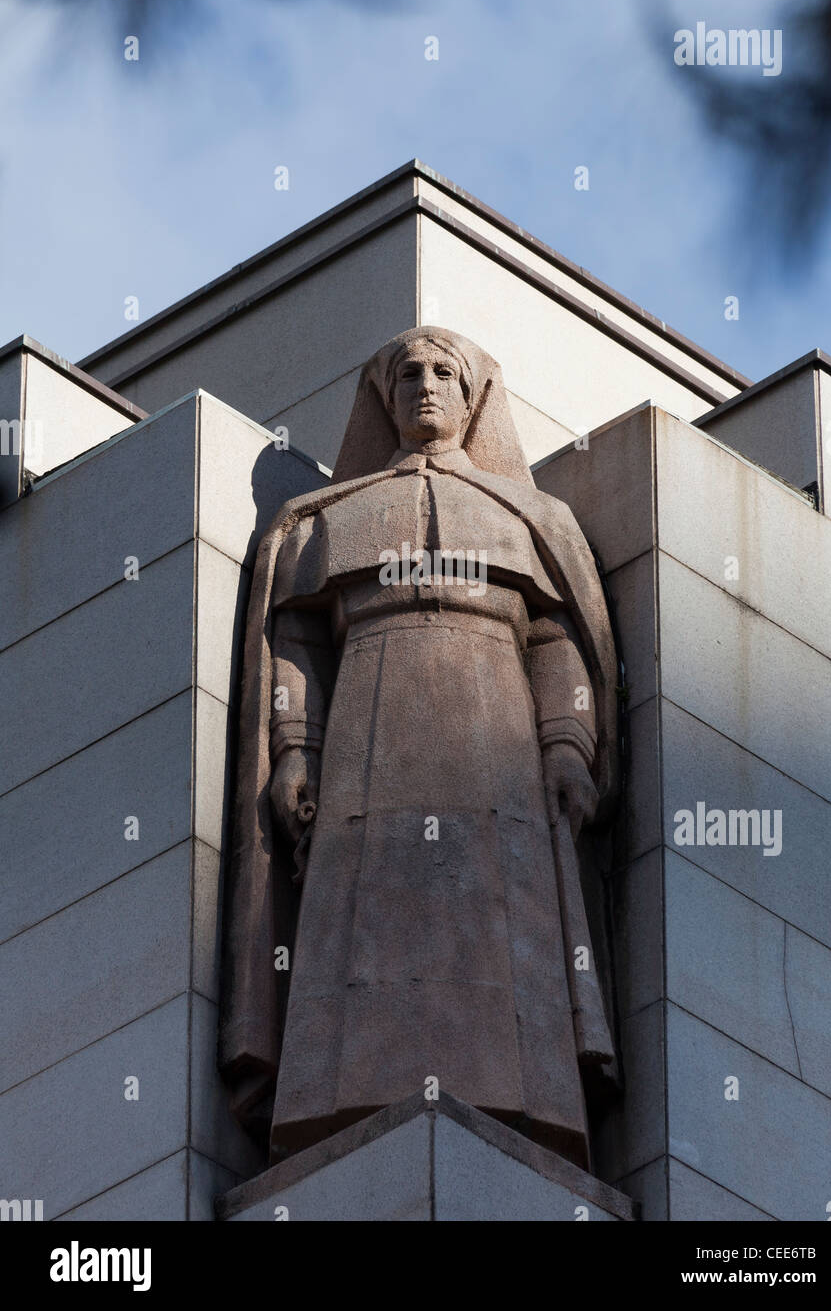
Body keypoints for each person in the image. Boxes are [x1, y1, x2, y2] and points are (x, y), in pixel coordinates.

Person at [220, 327, 620, 1168]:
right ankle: (340, 1099)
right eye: (408, 374)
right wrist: (296, 745)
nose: (426, 387)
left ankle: (530, 1100)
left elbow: (558, 639)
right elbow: (294, 639)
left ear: (474, 399)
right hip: (368, 717)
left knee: (503, 923)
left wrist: (565, 741)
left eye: (445, 373)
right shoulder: (323, 520)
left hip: (497, 736)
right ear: (382, 396)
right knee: (362, 920)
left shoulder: (532, 517)